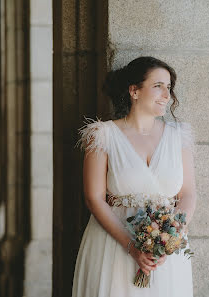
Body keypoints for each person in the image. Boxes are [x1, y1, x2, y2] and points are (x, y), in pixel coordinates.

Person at [72, 56, 197, 297]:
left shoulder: (178, 136)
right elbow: (94, 198)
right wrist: (131, 247)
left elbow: (188, 193)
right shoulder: (102, 135)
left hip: (165, 255)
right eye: (158, 86)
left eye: (168, 87)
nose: (166, 95)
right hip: (113, 245)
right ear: (134, 91)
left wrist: (170, 236)